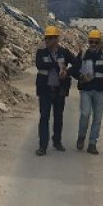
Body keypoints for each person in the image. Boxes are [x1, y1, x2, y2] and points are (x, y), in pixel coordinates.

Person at [34, 25, 75, 155]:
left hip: (59, 90)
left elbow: (76, 63)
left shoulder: (64, 52)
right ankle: (43, 146)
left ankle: (57, 141)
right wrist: (56, 64)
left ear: (57, 39)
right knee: (44, 117)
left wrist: (67, 72)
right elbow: (39, 64)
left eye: (50, 38)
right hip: (45, 90)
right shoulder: (41, 52)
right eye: (46, 38)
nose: (47, 40)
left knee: (58, 117)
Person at [75, 29, 103, 154]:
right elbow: (75, 69)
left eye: (96, 42)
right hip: (86, 90)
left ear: (100, 42)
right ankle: (81, 136)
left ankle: (92, 143)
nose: (93, 44)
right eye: (91, 42)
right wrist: (80, 76)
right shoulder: (83, 55)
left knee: (97, 118)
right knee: (85, 114)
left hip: (100, 90)